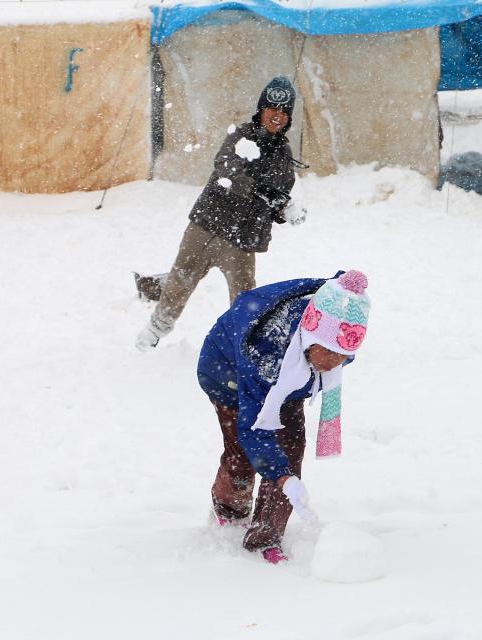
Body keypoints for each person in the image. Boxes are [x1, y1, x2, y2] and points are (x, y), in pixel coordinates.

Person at [197, 270, 371, 564]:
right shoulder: (266, 350)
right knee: (244, 452)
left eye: (342, 358)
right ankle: (231, 509)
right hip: (228, 375)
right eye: (328, 355)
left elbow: (330, 355)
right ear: (310, 338)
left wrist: (285, 474)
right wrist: (279, 475)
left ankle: (267, 535)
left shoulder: (338, 331)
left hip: (288, 382)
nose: (333, 365)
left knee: (290, 450)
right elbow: (255, 430)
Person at [136, 76, 306, 351]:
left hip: (242, 240)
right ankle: (153, 333)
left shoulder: (283, 154)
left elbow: (279, 195)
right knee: (181, 280)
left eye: (284, 112)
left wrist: (285, 210)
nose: (278, 116)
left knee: (245, 299)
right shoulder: (242, 136)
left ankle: (241, 346)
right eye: (273, 109)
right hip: (208, 224)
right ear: (261, 109)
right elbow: (226, 166)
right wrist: (259, 190)